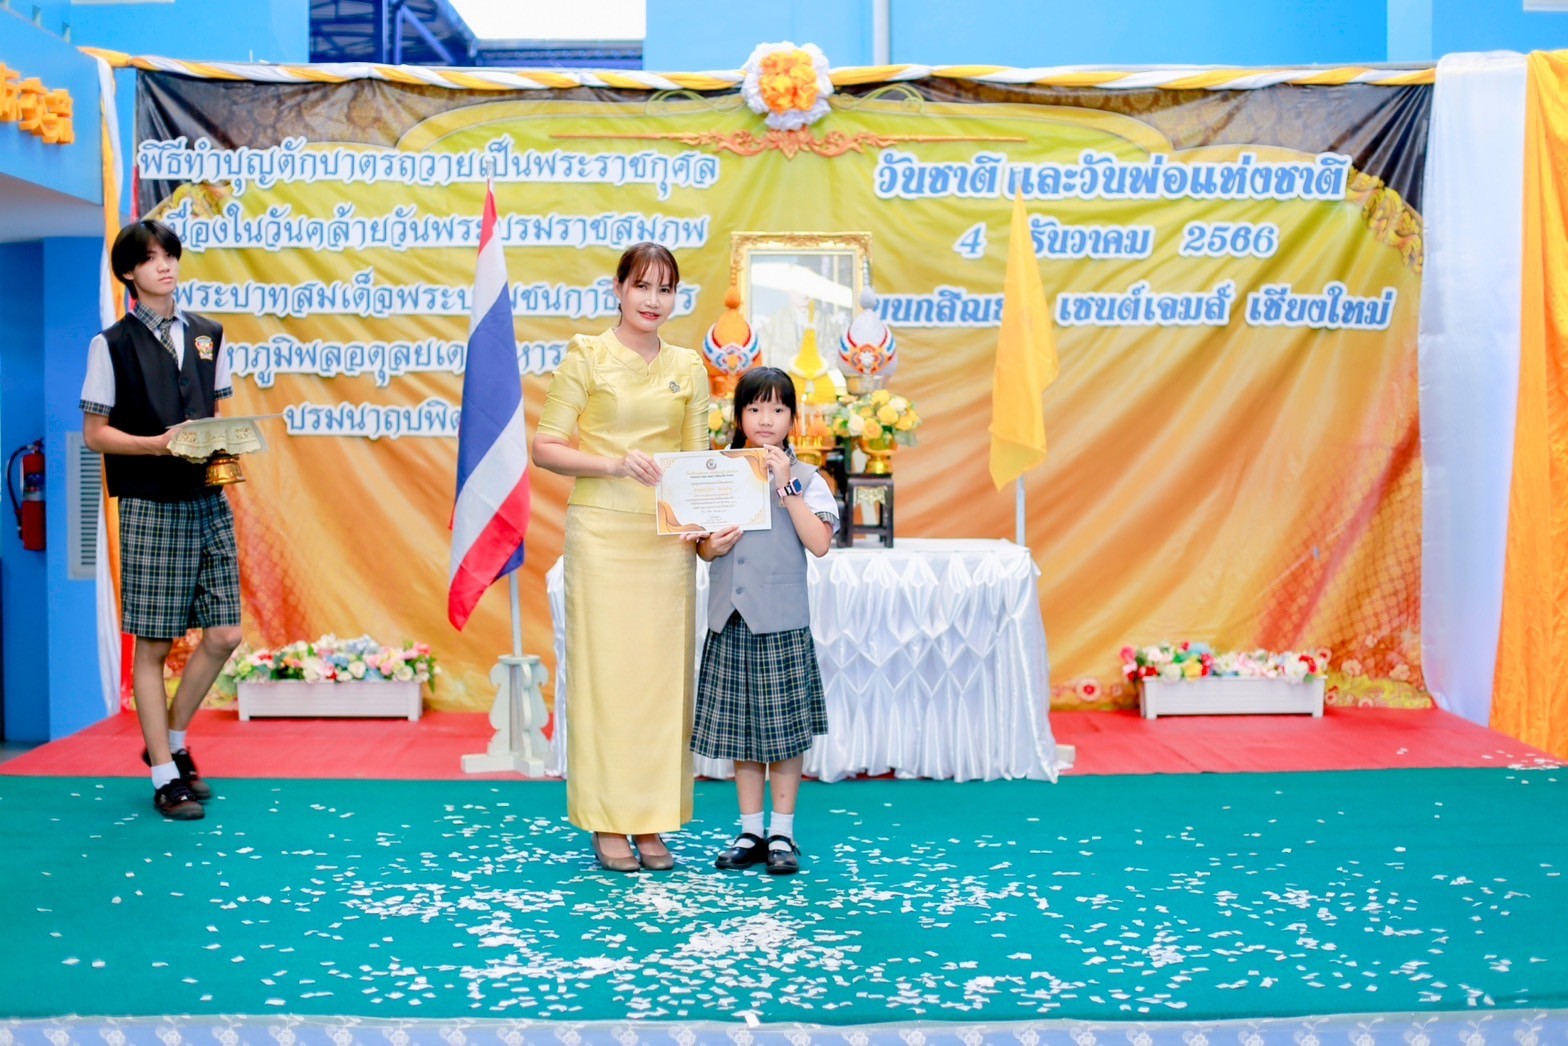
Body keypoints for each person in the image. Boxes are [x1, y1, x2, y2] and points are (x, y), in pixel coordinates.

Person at [531, 242, 710, 873]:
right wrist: (612, 464)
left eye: (666, 289)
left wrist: (708, 530)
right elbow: (545, 447)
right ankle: (607, 821)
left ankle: (652, 820)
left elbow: (698, 464)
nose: (653, 301)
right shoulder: (586, 354)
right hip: (603, 535)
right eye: (642, 286)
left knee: (661, 686)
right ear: (618, 289)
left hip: (666, 544)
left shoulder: (689, 366)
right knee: (607, 680)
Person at [80, 219, 243, 821]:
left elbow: (218, 417)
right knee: (153, 644)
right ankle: (164, 777)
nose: (165, 265)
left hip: (208, 500)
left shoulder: (208, 334)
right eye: (150, 258)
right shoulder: (111, 345)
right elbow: (95, 434)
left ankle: (170, 743)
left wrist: (228, 458)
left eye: (169, 254)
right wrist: (155, 446)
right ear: (129, 272)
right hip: (150, 504)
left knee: (225, 634)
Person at [693, 367, 838, 875]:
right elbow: (701, 547)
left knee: (784, 734)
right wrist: (713, 546)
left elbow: (819, 544)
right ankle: (751, 830)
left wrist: (786, 486)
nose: (765, 419)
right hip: (730, 620)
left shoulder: (809, 478)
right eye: (754, 408)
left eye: (777, 409)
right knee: (742, 732)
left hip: (780, 623)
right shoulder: (716, 471)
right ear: (739, 416)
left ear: (793, 418)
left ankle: (783, 832)